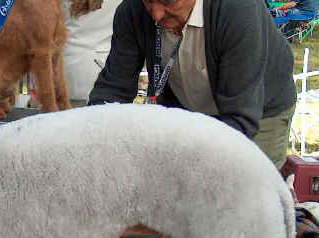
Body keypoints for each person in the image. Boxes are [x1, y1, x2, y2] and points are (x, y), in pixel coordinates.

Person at [88, 0, 297, 169]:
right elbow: (113, 88)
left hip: (261, 112)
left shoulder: (239, 9)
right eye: (148, 1)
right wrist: (92, 138)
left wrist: (173, 153)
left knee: (248, 200)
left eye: (167, 2)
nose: (156, 14)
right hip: (188, 109)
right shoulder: (133, 10)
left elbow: (241, 122)